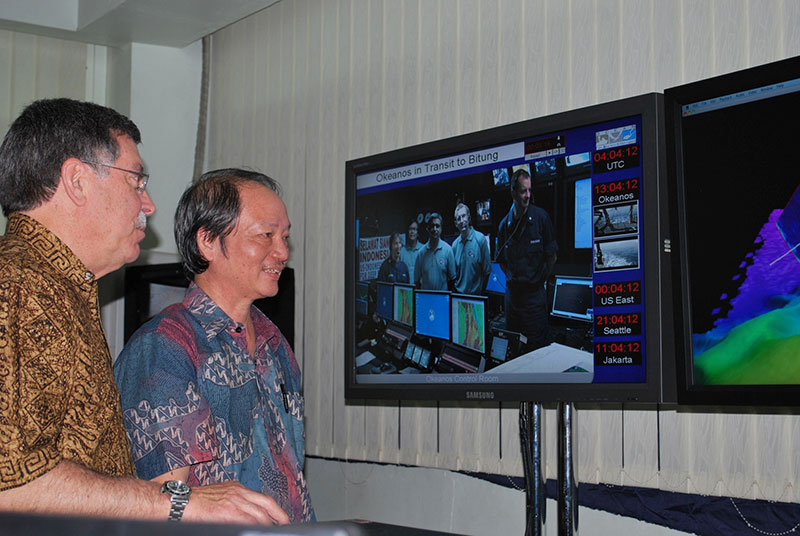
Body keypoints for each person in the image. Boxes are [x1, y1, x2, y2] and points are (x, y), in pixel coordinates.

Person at [0, 98, 288, 526]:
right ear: (77, 180)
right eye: (136, 181)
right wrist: (179, 501)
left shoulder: (57, 287)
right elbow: (11, 482)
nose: (148, 204)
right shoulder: (24, 287)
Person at [114, 169, 314, 523]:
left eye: (284, 236)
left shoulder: (276, 345)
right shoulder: (165, 347)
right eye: (266, 235)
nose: (282, 251)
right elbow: (163, 512)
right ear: (207, 241)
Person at [497, 169, 558, 350]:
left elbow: (552, 256)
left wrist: (538, 280)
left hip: (534, 300)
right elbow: (500, 260)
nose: (528, 196)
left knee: (537, 350)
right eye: (523, 191)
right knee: (513, 350)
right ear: (513, 192)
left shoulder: (541, 218)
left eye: (530, 190)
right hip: (513, 301)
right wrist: (513, 277)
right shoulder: (503, 226)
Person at [451, 203, 491, 294]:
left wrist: (480, 293)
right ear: (456, 223)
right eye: (458, 218)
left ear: (469, 218)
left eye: (463, 216)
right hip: (459, 296)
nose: (462, 221)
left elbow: (487, 272)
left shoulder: (480, 240)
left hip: (475, 297)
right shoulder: (454, 245)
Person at [414, 213, 456, 291]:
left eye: (437, 226)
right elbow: (416, 281)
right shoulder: (421, 253)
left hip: (442, 299)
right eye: (432, 226)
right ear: (428, 228)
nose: (435, 229)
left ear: (441, 228)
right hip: (426, 298)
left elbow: (452, 279)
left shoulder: (448, 250)